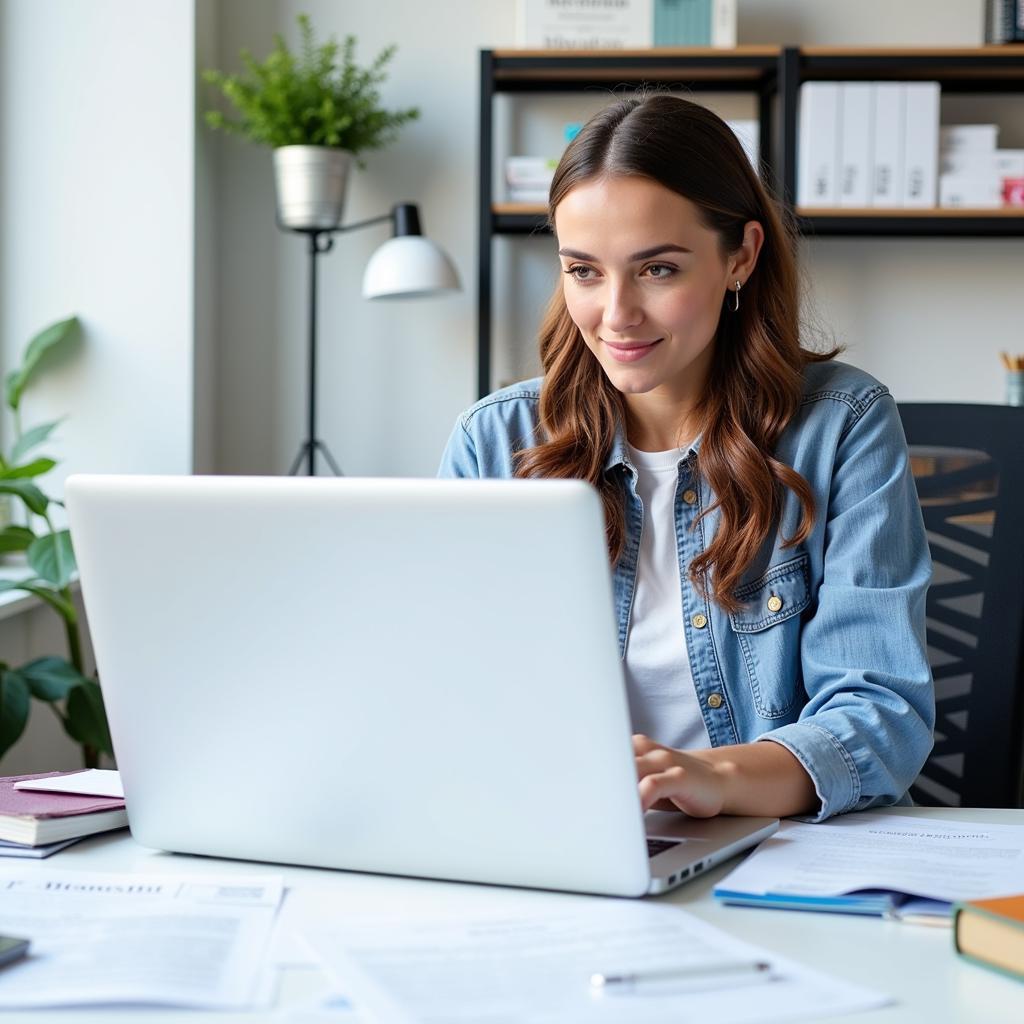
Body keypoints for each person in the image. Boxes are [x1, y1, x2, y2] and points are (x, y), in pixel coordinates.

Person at [438, 94, 934, 822]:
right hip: (563, 834)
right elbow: (447, 693)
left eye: (658, 270)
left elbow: (880, 714)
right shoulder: (497, 440)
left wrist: (711, 777)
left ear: (741, 256)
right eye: (583, 271)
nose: (616, 315)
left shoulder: (841, 426)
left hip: (782, 844)